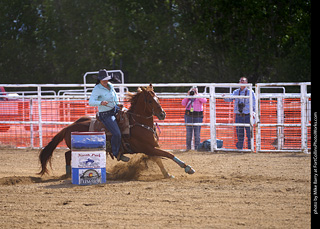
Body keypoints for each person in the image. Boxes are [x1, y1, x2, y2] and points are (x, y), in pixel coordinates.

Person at [89, 69, 129, 162]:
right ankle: (116, 153)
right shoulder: (97, 89)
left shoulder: (110, 85)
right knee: (117, 133)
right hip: (105, 114)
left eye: (106, 79)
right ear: (99, 80)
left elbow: (115, 97)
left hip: (115, 109)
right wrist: (100, 102)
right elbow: (91, 102)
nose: (105, 81)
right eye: (103, 79)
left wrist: (118, 104)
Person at [222, 77, 255, 150]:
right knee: (239, 134)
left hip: (248, 115)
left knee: (249, 134)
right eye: (241, 81)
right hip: (238, 115)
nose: (242, 82)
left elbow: (254, 104)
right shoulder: (236, 92)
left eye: (244, 81)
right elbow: (229, 99)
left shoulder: (251, 92)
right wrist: (224, 97)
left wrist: (254, 114)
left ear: (247, 83)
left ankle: (250, 148)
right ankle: (240, 149)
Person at [181, 86, 207, 151]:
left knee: (197, 133)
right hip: (188, 116)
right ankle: (188, 148)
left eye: (194, 91)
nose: (193, 92)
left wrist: (197, 95)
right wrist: (188, 96)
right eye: (192, 91)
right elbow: (183, 103)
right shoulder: (188, 97)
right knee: (189, 133)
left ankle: (197, 148)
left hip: (198, 116)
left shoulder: (199, 96)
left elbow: (204, 100)